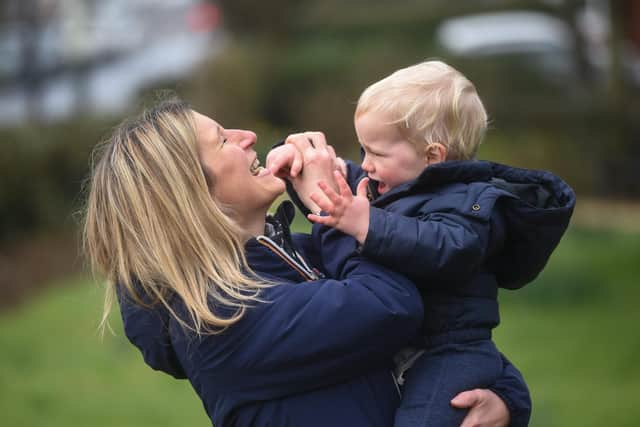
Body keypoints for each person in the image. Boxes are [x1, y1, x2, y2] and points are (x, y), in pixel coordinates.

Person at [83, 98, 531, 427]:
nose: (248, 137)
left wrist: (508, 399)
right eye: (223, 141)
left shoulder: (293, 254)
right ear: (191, 194)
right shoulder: (219, 319)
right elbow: (391, 306)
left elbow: (447, 320)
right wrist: (333, 206)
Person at [267, 60, 575, 427]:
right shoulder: (394, 183)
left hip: (449, 351)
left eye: (376, 154)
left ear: (432, 156)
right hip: (406, 344)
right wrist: (295, 161)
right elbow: (338, 189)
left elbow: (447, 248)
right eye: (363, 150)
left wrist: (367, 222)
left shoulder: (470, 202)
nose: (365, 165)